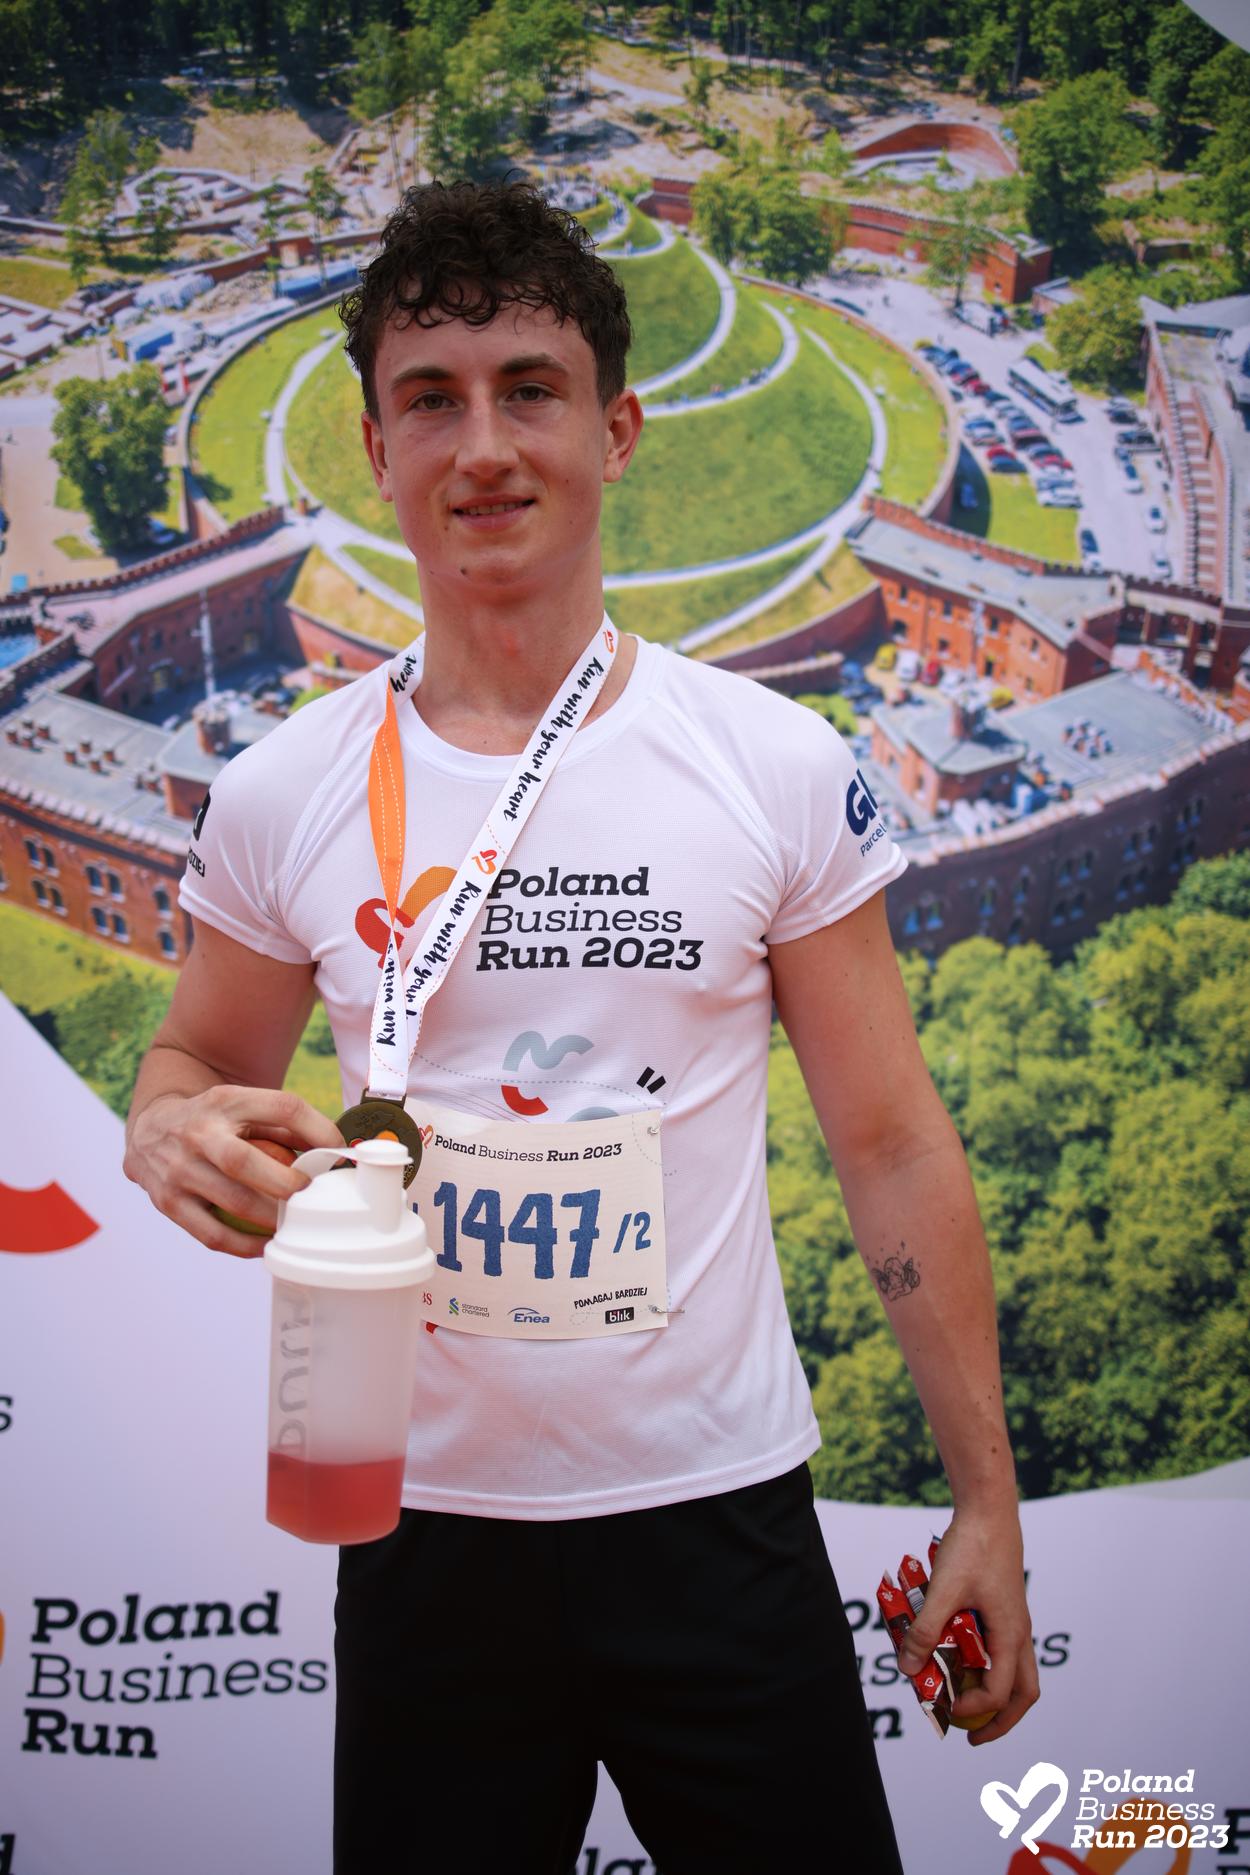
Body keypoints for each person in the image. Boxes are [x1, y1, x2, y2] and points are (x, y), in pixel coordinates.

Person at [125, 178, 1037, 1874]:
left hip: (717, 1516)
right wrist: (165, 1124)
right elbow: (192, 1064)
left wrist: (985, 1502)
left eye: (528, 391)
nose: (482, 447)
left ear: (614, 430)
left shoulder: (766, 766)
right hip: (422, 1531)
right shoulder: (281, 792)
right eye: (431, 400)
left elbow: (889, 1139)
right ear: (375, 448)